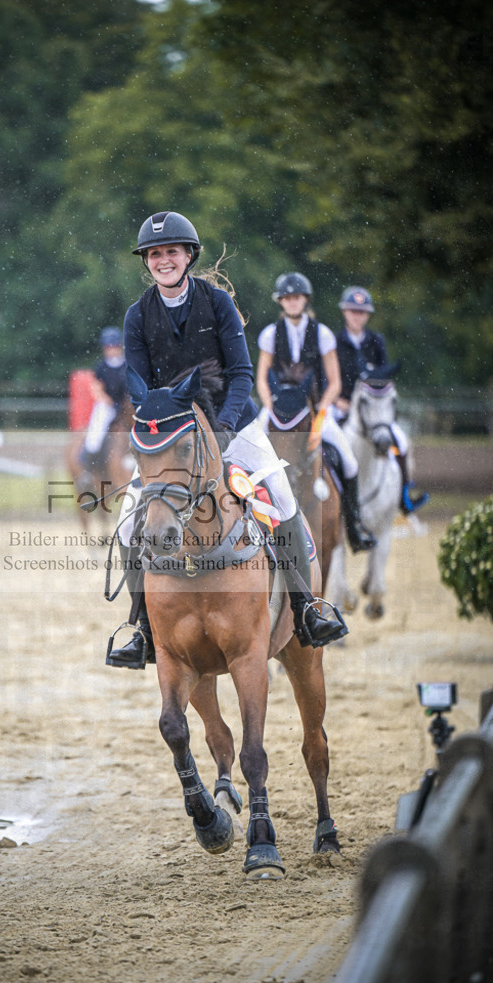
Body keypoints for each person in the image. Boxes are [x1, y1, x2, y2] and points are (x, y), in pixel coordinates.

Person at [107, 212, 347, 670]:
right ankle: (139, 627)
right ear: (147, 262)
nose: (163, 260)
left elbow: (240, 374)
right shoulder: (137, 315)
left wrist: (223, 429)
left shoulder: (216, 303)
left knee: (282, 499)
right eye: (155, 254)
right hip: (173, 436)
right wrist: (156, 431)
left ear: (188, 255)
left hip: (232, 425)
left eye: (171, 252)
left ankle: (307, 608)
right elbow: (138, 385)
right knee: (127, 521)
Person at [256, 272, 377, 556]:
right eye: (286, 298)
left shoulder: (322, 334)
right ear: (281, 302)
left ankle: (354, 527)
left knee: (348, 461)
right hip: (277, 409)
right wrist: (268, 405)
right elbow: (261, 378)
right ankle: (250, 521)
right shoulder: (269, 334)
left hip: (315, 409)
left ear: (305, 300)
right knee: (248, 452)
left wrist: (322, 409)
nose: (292, 302)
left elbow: (334, 382)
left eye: (296, 297)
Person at [334, 286, 429, 514]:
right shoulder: (335, 342)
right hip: (341, 404)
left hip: (372, 409)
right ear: (345, 312)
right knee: (323, 442)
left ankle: (404, 496)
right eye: (353, 311)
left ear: (367, 315)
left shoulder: (376, 341)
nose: (357, 316)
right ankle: (325, 495)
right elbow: (327, 376)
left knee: (401, 442)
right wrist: (338, 401)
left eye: (362, 311)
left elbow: (384, 376)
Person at [80, 327, 127, 475]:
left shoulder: (129, 365)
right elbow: (96, 388)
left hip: (128, 406)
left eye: (114, 346)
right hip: (108, 405)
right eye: (109, 346)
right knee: (94, 437)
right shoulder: (101, 367)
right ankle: (89, 470)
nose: (112, 349)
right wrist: (108, 401)